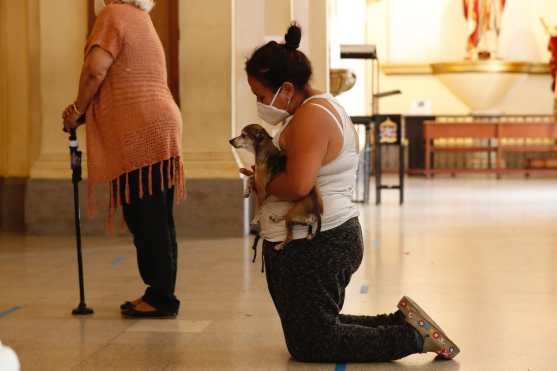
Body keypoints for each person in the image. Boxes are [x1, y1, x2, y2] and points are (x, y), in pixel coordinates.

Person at [242, 23, 460, 362]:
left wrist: (262, 181)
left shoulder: (310, 118)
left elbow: (298, 185)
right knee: (315, 328)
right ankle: (400, 323)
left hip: (319, 242)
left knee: (312, 343)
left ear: (286, 88)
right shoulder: (314, 109)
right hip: (321, 236)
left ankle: (412, 338)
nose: (260, 103)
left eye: (260, 95)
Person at [62, 0, 185, 318]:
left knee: (147, 217)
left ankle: (161, 298)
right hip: (157, 123)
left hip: (141, 128)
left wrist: (77, 110)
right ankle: (160, 292)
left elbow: (95, 71)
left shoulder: (113, 15)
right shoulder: (140, 18)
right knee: (156, 215)